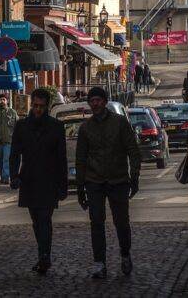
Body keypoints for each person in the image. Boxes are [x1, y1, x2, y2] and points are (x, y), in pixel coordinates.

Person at [75, 87, 142, 279]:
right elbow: (81, 159)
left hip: (118, 179)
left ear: (104, 102)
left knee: (121, 222)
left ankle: (125, 254)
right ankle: (99, 262)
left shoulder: (120, 122)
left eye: (98, 100)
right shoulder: (85, 128)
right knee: (96, 222)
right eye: (92, 101)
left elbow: (132, 150)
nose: (95, 104)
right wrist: (80, 188)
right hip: (94, 181)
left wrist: (134, 176)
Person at [9, 88, 67, 275]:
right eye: (35, 106)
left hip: (49, 180)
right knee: (36, 220)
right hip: (29, 179)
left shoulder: (57, 127)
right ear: (31, 104)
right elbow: (14, 154)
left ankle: (45, 256)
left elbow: (61, 159)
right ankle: (43, 254)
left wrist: (62, 186)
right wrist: (14, 176)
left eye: (41, 106)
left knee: (45, 219)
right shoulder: (21, 126)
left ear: (47, 107)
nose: (38, 110)